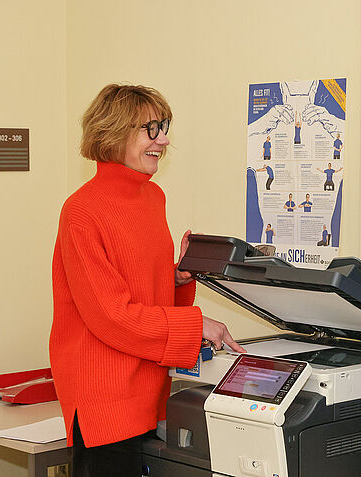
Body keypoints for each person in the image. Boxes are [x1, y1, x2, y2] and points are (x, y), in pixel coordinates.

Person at [50, 83, 245, 477]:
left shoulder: (153, 198)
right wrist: (197, 326)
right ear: (114, 132)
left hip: (147, 389)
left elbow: (139, 289)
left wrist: (176, 277)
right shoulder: (82, 211)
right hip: (104, 400)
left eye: (164, 126)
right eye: (150, 129)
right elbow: (112, 316)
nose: (164, 139)